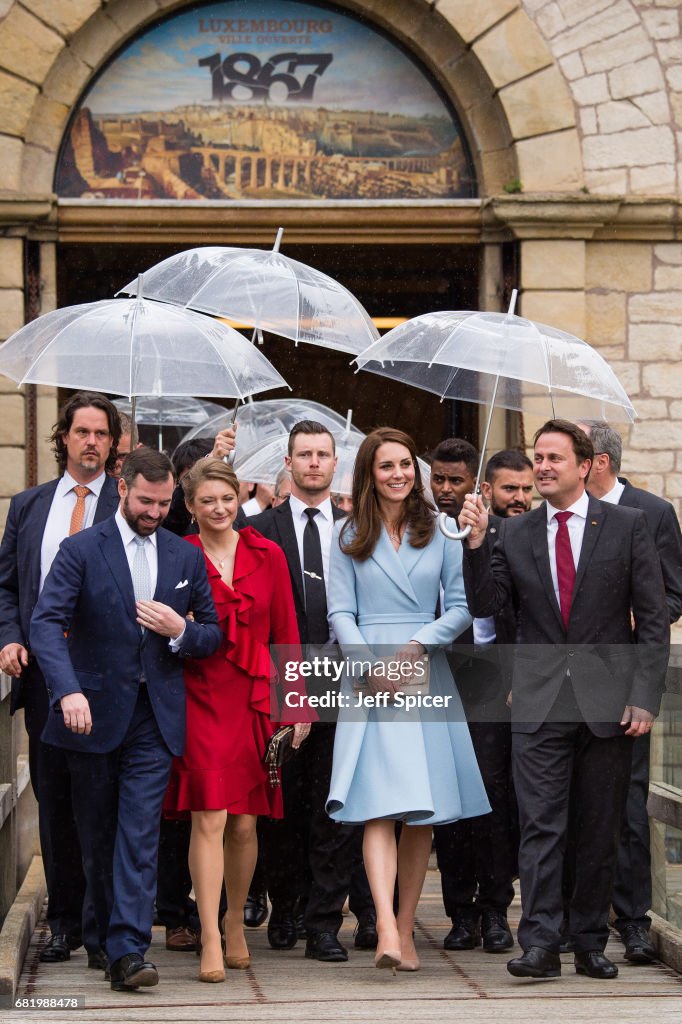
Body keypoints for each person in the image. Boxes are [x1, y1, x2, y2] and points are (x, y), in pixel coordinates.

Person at [459, 419, 670, 981]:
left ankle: (589, 941)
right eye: (538, 458)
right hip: (538, 698)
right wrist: (477, 543)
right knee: (541, 825)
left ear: (586, 465)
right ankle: (540, 944)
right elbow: (487, 604)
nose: (544, 467)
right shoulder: (515, 533)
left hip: (609, 703)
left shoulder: (628, 526)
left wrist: (644, 696)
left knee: (599, 828)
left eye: (555, 457)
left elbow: (652, 620)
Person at [29, 447, 222, 993]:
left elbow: (212, 632)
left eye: (163, 504)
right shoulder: (81, 549)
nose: (155, 512)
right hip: (88, 715)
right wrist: (66, 690)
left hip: (154, 718)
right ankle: (102, 936)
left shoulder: (183, 557)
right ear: (122, 487)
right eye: (145, 501)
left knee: (139, 835)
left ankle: (129, 951)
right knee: (96, 838)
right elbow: (46, 624)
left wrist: (178, 630)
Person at [326, 427, 490, 972]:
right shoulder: (348, 533)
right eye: (386, 466)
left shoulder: (442, 529)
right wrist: (367, 665)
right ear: (369, 475)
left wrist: (418, 646)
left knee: (422, 810)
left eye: (404, 465)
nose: (398, 474)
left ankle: (408, 924)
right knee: (376, 804)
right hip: (369, 673)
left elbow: (463, 607)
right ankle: (388, 929)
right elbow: (340, 611)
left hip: (424, 667)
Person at [163, 458, 309, 983]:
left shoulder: (268, 554)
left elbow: (287, 633)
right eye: (207, 501)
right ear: (191, 506)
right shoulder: (176, 556)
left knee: (246, 822)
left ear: (240, 496)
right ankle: (207, 934)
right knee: (210, 815)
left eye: (227, 498)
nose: (219, 508)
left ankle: (234, 920)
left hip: (255, 700)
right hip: (198, 697)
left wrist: (296, 704)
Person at [0, 391, 121, 968]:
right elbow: (7, 587)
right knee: (54, 803)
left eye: (102, 433)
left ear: (114, 443)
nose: (91, 442)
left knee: (100, 805)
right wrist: (8, 636)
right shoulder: (27, 506)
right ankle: (65, 922)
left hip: (104, 681)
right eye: (82, 432)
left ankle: (103, 926)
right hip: (44, 678)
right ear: (64, 438)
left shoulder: (127, 505)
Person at [250, 421, 376, 962]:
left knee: (335, 801)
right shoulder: (262, 527)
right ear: (289, 461)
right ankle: (287, 906)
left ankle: (326, 920)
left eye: (323, 455)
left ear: (335, 464)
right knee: (283, 802)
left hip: (345, 680)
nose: (314, 463)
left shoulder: (357, 528)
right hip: (283, 678)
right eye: (305, 455)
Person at [577, 419, 682, 962]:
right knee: (570, 801)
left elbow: (671, 596)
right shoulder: (554, 515)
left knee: (631, 803)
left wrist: (628, 640)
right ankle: (578, 921)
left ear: (595, 459)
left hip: (626, 683)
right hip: (564, 681)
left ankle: (635, 920)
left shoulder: (651, 512)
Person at [434, 449, 532, 954]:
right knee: (452, 799)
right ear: (486, 489)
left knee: (495, 798)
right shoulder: (440, 533)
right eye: (509, 489)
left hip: (503, 684)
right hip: (449, 676)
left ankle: (495, 909)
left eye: (526, 489)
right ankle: (459, 910)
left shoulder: (525, 538)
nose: (519, 499)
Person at [429, 438, 478, 520]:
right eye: (438, 480)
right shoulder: (416, 528)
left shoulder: (497, 529)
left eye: (456, 481)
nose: (445, 489)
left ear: (475, 484)